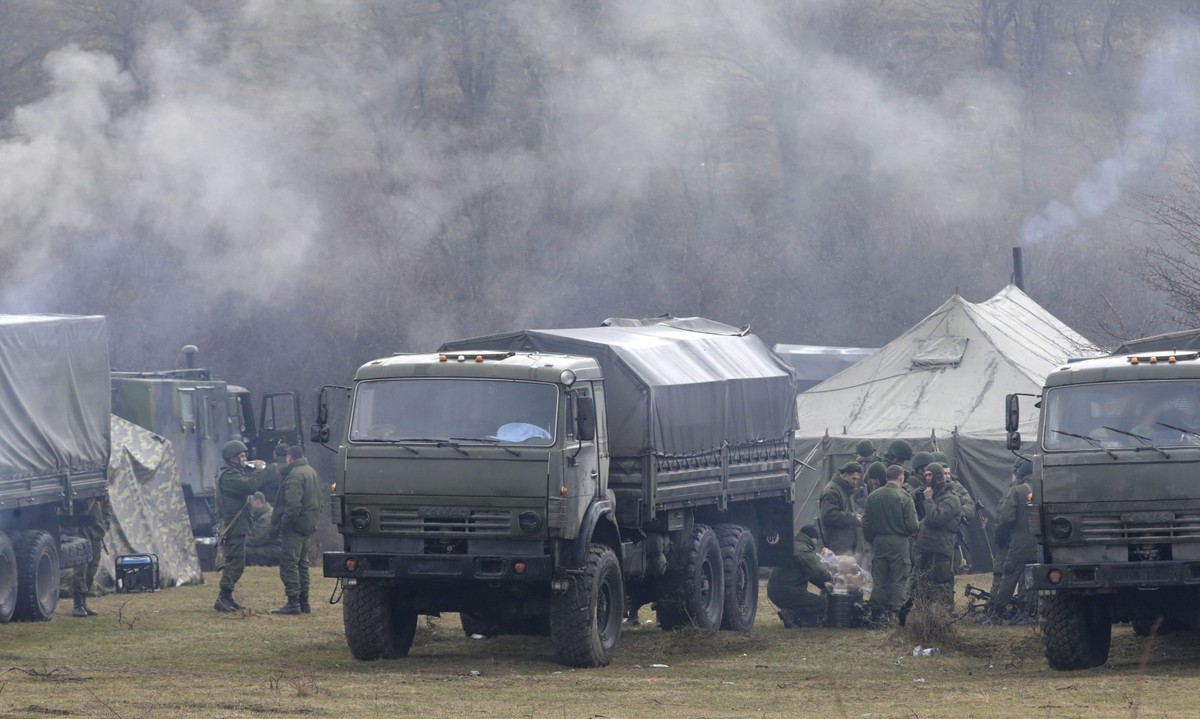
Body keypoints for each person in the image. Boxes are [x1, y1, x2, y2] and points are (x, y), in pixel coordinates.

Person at [861, 464, 919, 626]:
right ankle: (896, 613)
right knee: (899, 578)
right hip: (899, 542)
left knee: (879, 579)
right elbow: (913, 525)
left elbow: (866, 523)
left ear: (886, 477)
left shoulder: (873, 496)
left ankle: (876, 613)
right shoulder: (904, 497)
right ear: (901, 478)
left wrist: (873, 539)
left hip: (879, 542)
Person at [214, 439, 265, 612]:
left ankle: (227, 597)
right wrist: (258, 471)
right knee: (235, 562)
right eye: (241, 456)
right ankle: (223, 597)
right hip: (233, 525)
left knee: (236, 561)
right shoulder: (229, 476)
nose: (244, 459)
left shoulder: (235, 473)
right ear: (232, 458)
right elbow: (250, 486)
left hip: (238, 525)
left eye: (245, 456)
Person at [270, 445, 322, 615]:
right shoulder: (311, 472)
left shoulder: (294, 475)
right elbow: (318, 500)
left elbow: (293, 506)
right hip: (308, 525)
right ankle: (304, 602)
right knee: (302, 564)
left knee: (289, 564)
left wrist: (283, 524)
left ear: (290, 458)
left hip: (295, 527)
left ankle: (293, 602)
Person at [984, 459, 1037, 621]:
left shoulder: (1018, 491)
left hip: (1019, 544)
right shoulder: (1046, 489)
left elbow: (1006, 518)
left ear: (1020, 474)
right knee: (1032, 577)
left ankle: (997, 612)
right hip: (1040, 544)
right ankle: (1028, 612)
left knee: (1009, 576)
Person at [910, 462, 961, 612]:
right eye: (925, 474)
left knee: (941, 584)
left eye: (930, 475)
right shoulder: (932, 495)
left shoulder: (951, 499)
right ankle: (924, 616)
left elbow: (935, 519)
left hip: (940, 549)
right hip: (925, 549)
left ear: (938, 476)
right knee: (921, 584)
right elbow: (925, 521)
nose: (927, 478)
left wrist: (928, 500)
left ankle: (945, 616)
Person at [767, 525, 834, 628]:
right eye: (817, 539)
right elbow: (818, 571)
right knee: (821, 604)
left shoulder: (794, 544)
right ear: (812, 537)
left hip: (777, 589)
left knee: (811, 601)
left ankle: (794, 617)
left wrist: (823, 585)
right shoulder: (803, 550)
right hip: (787, 591)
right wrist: (832, 578)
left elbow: (809, 573)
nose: (817, 543)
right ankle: (791, 614)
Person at [70, 491, 113, 617]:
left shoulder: (101, 490)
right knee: (80, 570)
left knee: (91, 570)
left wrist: (104, 526)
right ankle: (77, 605)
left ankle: (83, 603)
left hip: (96, 533)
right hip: (81, 532)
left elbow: (107, 509)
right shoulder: (80, 490)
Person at [819, 462, 862, 556]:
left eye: (857, 480)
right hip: (837, 543)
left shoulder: (845, 490)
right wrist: (852, 518)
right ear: (845, 475)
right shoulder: (832, 491)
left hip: (845, 543)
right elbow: (828, 516)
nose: (855, 482)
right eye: (853, 478)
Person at [245, 491, 281, 567]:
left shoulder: (267, 517)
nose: (249, 507)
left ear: (257, 501)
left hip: (276, 549)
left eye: (250, 504)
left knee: (243, 550)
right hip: (273, 547)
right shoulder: (264, 514)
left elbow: (257, 539)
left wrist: (240, 541)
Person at [257, 443, 289, 507]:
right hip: (290, 506)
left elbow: (256, 484)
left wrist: (258, 470)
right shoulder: (294, 467)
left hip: (273, 506)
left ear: (275, 454)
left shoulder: (270, 469)